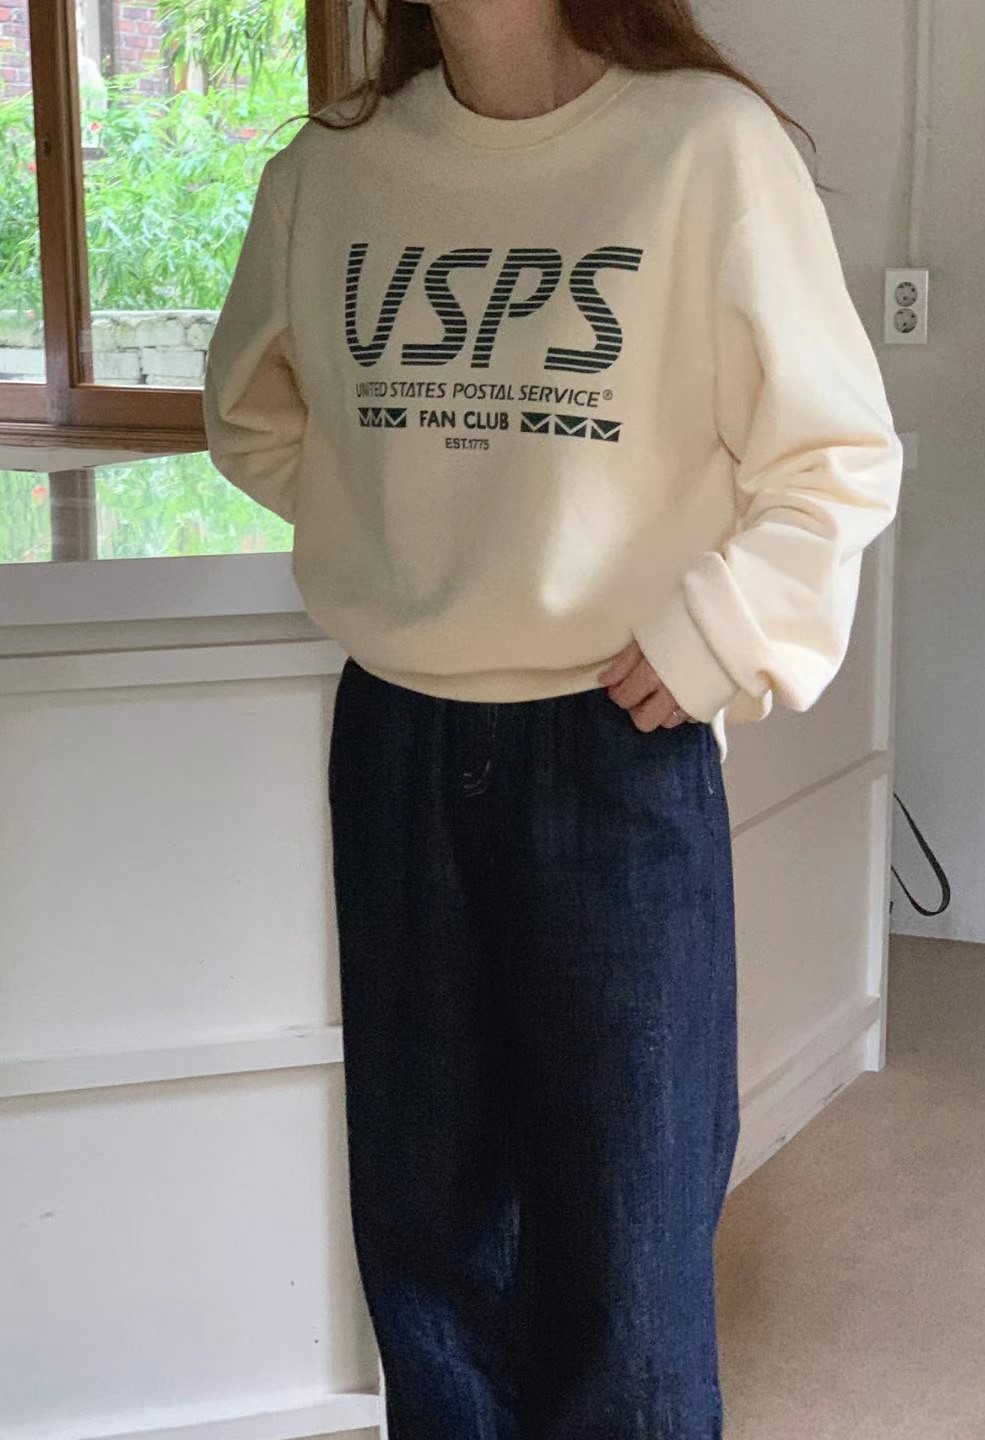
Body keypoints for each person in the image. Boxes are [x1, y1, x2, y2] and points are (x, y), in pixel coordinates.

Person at [202, 1, 904, 1435]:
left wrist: (717, 633)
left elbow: (836, 458)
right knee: (427, 1235)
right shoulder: (333, 171)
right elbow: (254, 417)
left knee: (627, 1245)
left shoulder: (703, 147)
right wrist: (419, 539)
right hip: (398, 740)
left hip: (612, 741)